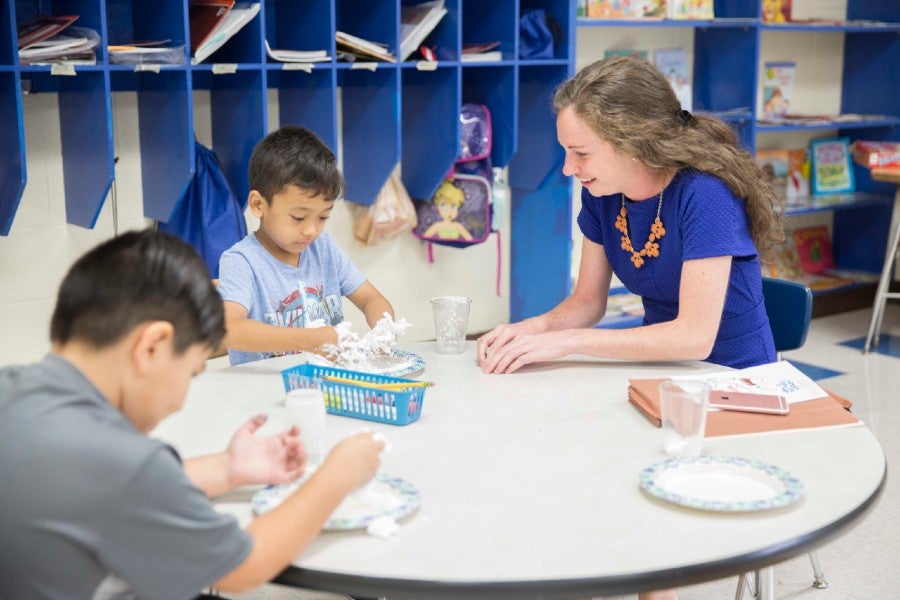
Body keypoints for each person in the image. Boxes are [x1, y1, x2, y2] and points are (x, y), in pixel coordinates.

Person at [0, 230, 384, 599]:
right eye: (191, 371)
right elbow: (246, 566)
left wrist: (225, 468)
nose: (179, 402)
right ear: (152, 347)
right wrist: (337, 475)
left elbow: (98, 488)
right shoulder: (126, 463)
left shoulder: (13, 388)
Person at [478, 55, 783, 376]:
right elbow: (588, 303)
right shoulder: (603, 193)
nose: (569, 169)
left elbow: (695, 338)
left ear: (635, 144)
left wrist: (567, 341)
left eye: (581, 153)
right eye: (566, 152)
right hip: (661, 371)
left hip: (736, 378)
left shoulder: (706, 193)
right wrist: (532, 329)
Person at [217, 125, 394, 366]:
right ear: (258, 204)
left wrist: (383, 330)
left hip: (327, 386)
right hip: (262, 394)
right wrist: (309, 340)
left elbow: (371, 299)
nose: (311, 230)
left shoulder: (323, 249)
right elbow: (230, 329)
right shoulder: (241, 261)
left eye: (322, 217)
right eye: (298, 217)